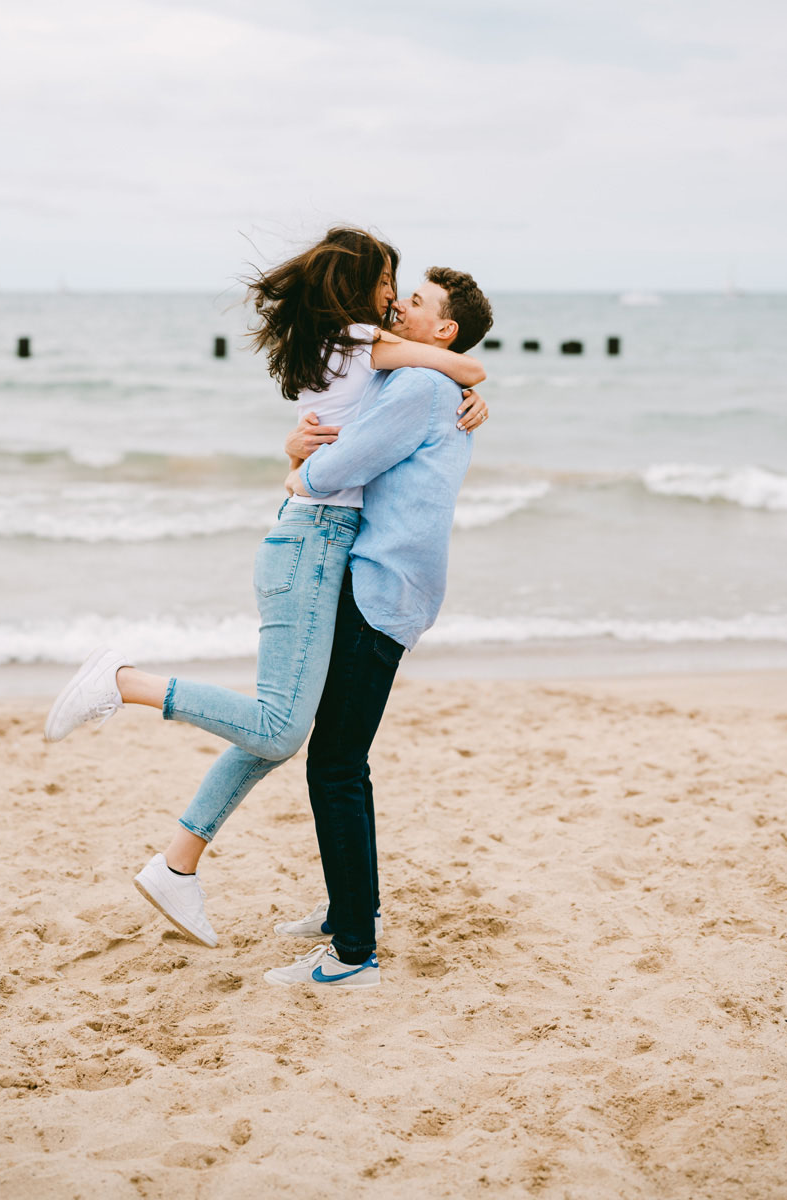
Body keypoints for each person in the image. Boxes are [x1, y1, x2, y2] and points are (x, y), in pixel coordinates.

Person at [43, 229, 487, 949]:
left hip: (317, 543)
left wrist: (452, 395)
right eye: (390, 285)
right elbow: (454, 374)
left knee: (284, 732)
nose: (394, 301)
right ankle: (125, 681)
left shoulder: (353, 352)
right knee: (283, 728)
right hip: (314, 543)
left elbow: (407, 405)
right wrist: (303, 465)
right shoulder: (372, 351)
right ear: (360, 287)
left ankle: (183, 865)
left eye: (410, 296)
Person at [262, 267, 495, 988]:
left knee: (332, 763)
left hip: (382, 585)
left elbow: (336, 470)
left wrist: (299, 471)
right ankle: (350, 912)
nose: (399, 303)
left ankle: (354, 953)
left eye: (417, 302)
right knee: (343, 761)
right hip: (382, 579)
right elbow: (339, 442)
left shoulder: (423, 387)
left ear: (444, 329)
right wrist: (303, 448)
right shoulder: (418, 382)